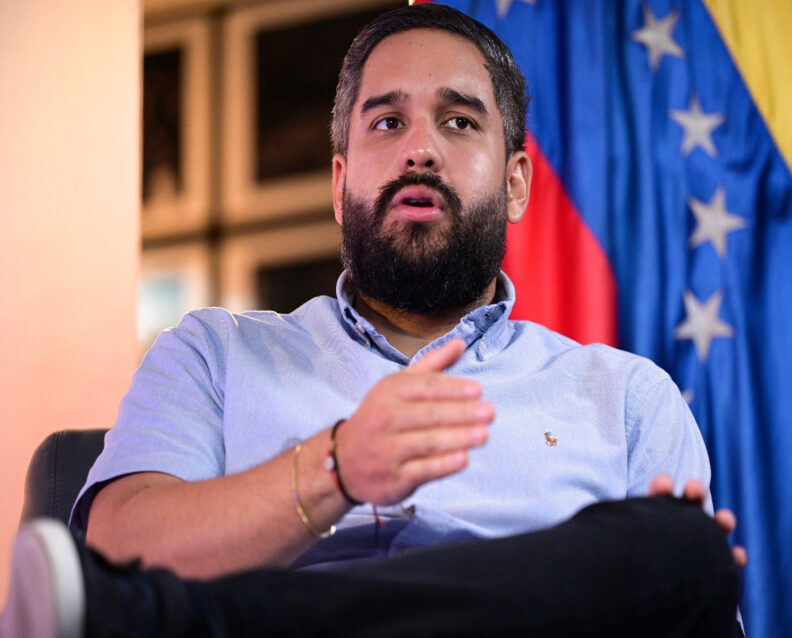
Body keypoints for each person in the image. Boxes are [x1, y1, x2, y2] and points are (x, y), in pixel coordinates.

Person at [0, 4, 745, 637]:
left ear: (516, 183)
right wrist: (339, 467)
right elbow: (115, 546)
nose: (420, 150)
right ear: (340, 183)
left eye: (458, 122)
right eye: (388, 122)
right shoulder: (212, 355)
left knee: (685, 549)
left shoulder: (628, 397)